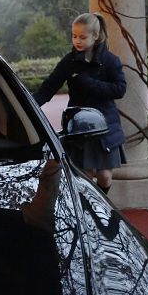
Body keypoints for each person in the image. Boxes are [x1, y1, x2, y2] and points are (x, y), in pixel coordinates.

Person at [33, 13, 126, 194]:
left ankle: (100, 204)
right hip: (79, 127)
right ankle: (89, 210)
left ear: (95, 36)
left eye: (82, 37)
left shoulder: (110, 61)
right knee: (85, 174)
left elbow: (119, 89)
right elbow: (48, 89)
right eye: (74, 36)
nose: (77, 41)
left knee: (105, 177)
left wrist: (88, 82)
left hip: (105, 126)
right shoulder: (69, 62)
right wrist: (28, 107)